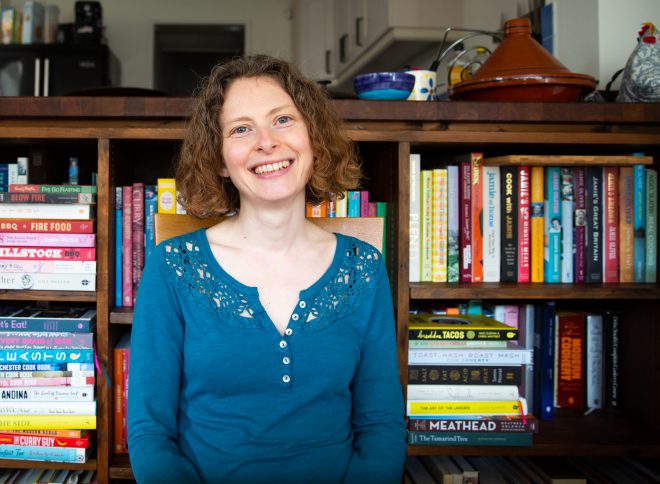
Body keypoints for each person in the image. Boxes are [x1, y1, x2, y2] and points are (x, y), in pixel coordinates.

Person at [127, 54, 407, 484]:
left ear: (313, 137)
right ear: (220, 159)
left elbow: (381, 426)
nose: (266, 142)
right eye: (241, 129)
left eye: (282, 120)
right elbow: (150, 433)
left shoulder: (363, 268)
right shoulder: (171, 268)